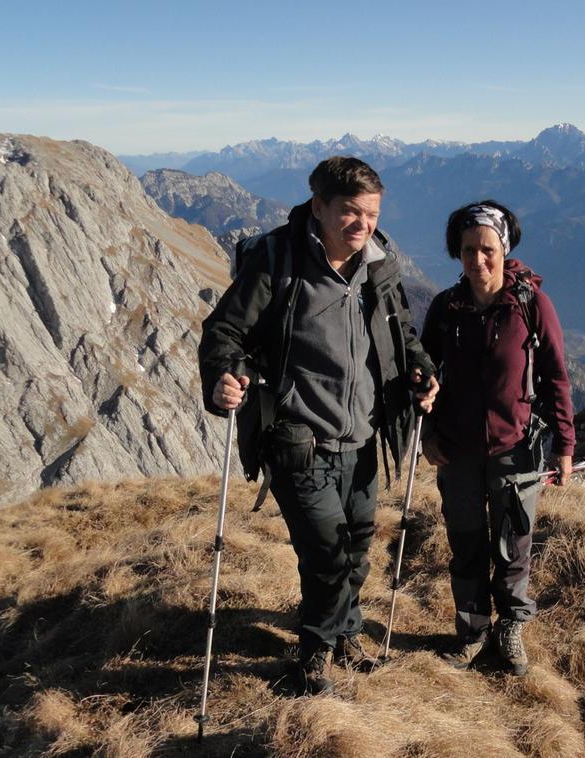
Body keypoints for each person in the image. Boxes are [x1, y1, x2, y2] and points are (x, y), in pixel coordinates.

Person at [198, 156, 438, 695]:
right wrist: (224, 377)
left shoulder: (378, 264)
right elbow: (224, 332)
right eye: (351, 211)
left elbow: (402, 332)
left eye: (372, 214)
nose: (363, 224)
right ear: (319, 206)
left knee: (355, 549)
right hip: (298, 438)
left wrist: (422, 370)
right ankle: (313, 655)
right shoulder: (277, 261)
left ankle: (345, 635)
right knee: (327, 554)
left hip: (363, 437)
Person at [420, 200, 574, 676]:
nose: (478, 259)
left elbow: (556, 377)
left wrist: (565, 445)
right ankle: (472, 631)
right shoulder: (446, 309)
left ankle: (510, 626)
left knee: (513, 545)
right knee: (466, 544)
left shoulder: (531, 305)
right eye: (468, 249)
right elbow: (423, 378)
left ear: (504, 250)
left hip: (516, 449)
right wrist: (427, 434)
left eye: (487, 249)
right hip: (457, 451)